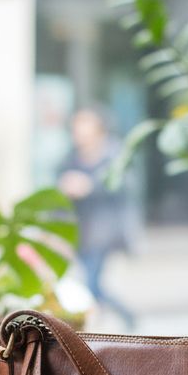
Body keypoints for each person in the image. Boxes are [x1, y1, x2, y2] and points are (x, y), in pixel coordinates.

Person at [58, 107, 135, 328]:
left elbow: (125, 185)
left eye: (84, 126)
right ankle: (124, 316)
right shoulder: (70, 157)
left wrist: (89, 186)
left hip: (104, 233)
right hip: (80, 231)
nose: (79, 132)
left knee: (90, 284)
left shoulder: (114, 155)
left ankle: (95, 327)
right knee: (91, 283)